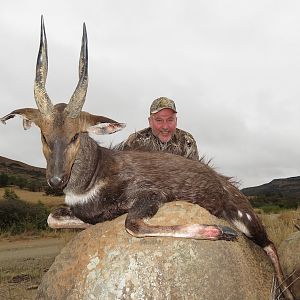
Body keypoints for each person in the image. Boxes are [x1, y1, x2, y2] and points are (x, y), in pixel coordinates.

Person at [116, 97, 199, 160]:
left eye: (170, 120)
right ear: (150, 122)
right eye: (159, 120)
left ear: (176, 121)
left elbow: (195, 176)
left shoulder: (187, 141)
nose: (165, 127)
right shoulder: (135, 141)